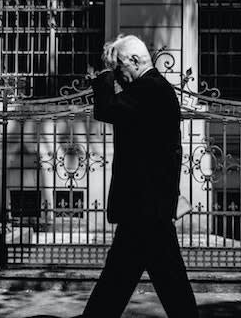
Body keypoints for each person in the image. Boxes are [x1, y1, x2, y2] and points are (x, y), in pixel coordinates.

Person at [80, 35, 198, 317]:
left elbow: (106, 109)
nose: (120, 75)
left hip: (146, 208)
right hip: (146, 207)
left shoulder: (151, 89)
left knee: (130, 281)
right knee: (130, 281)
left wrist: (105, 73)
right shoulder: (152, 89)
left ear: (134, 61)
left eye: (121, 67)